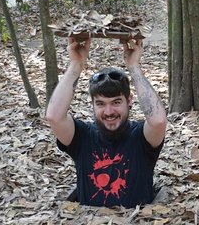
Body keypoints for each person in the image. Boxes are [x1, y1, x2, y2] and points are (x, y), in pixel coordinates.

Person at [45, 37, 167, 208]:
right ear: (93, 104)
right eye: (101, 104)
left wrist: (134, 67)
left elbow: (158, 120)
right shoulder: (82, 136)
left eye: (116, 102)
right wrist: (76, 64)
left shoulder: (141, 136)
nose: (109, 112)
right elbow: (54, 117)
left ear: (129, 101)